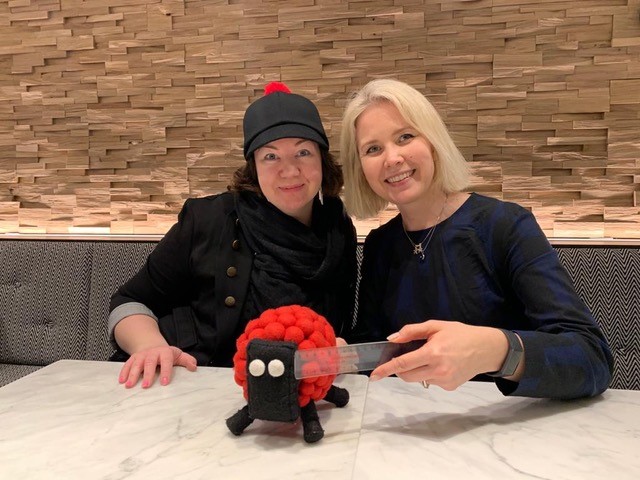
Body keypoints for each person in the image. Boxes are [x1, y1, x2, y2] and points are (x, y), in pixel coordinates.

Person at [340, 78, 613, 399]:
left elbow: (592, 357)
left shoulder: (505, 225)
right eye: (373, 149)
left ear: (433, 142)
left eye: (405, 137)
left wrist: (497, 350)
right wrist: (343, 354)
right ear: (361, 168)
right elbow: (375, 350)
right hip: (412, 421)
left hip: (506, 422)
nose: (392, 158)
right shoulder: (380, 245)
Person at [109, 82, 357, 388]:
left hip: (290, 394)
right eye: (271, 156)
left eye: (303, 152)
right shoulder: (209, 219)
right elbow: (129, 301)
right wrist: (149, 346)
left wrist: (337, 351)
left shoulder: (337, 229)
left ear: (322, 159)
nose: (290, 170)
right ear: (253, 166)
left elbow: (341, 331)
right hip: (189, 385)